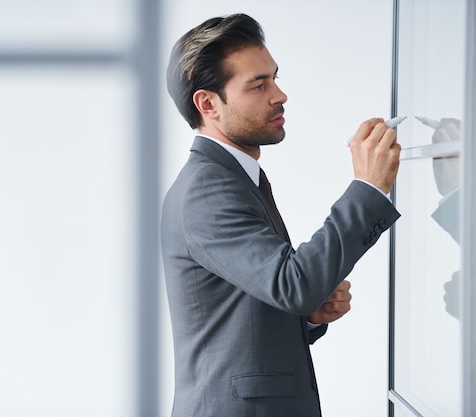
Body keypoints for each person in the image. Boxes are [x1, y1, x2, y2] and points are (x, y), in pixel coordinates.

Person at [160, 13, 401, 417]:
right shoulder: (206, 189)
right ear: (208, 104)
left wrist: (306, 317)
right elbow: (294, 283)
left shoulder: (237, 178)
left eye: (274, 78)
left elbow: (268, 291)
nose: (280, 95)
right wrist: (369, 187)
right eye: (259, 85)